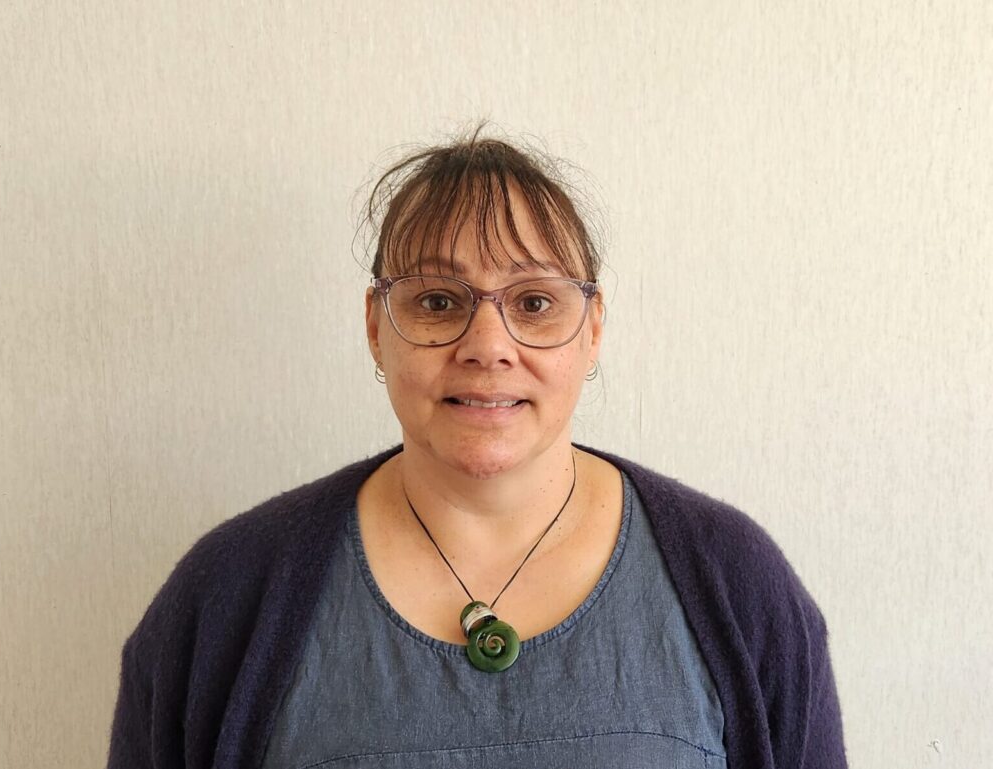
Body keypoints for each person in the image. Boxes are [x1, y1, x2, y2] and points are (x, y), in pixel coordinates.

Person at [108, 129, 846, 769]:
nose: (488, 346)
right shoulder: (227, 596)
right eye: (438, 301)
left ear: (592, 329)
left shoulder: (736, 583)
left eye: (534, 302)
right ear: (376, 326)